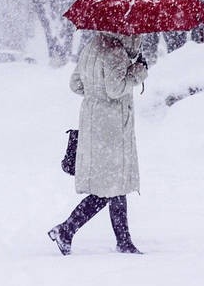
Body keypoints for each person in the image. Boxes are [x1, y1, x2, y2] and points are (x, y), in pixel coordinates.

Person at [47, 31, 148, 255]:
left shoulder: (93, 45)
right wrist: (139, 72)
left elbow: (75, 84)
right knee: (112, 184)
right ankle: (67, 229)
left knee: (113, 182)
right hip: (111, 126)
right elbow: (115, 89)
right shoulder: (115, 51)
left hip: (93, 121)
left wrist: (95, 93)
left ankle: (123, 240)